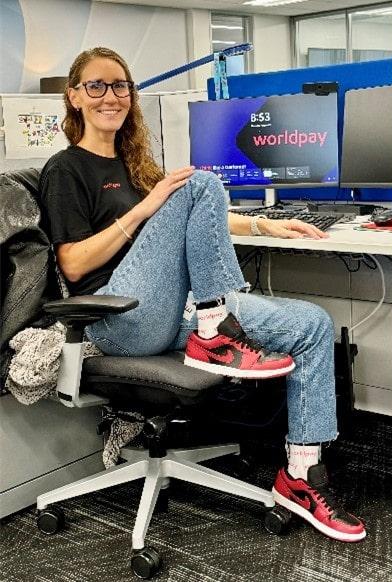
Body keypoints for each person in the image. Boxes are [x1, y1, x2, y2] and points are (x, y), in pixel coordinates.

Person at [39, 47, 365, 542]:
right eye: (96, 86)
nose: (111, 96)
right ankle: (215, 331)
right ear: (74, 97)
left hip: (174, 311)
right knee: (199, 182)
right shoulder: (65, 170)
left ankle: (300, 474)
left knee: (312, 325)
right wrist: (145, 209)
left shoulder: (136, 163)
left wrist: (265, 224)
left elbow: (200, 216)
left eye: (121, 85)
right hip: (117, 317)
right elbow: (73, 263)